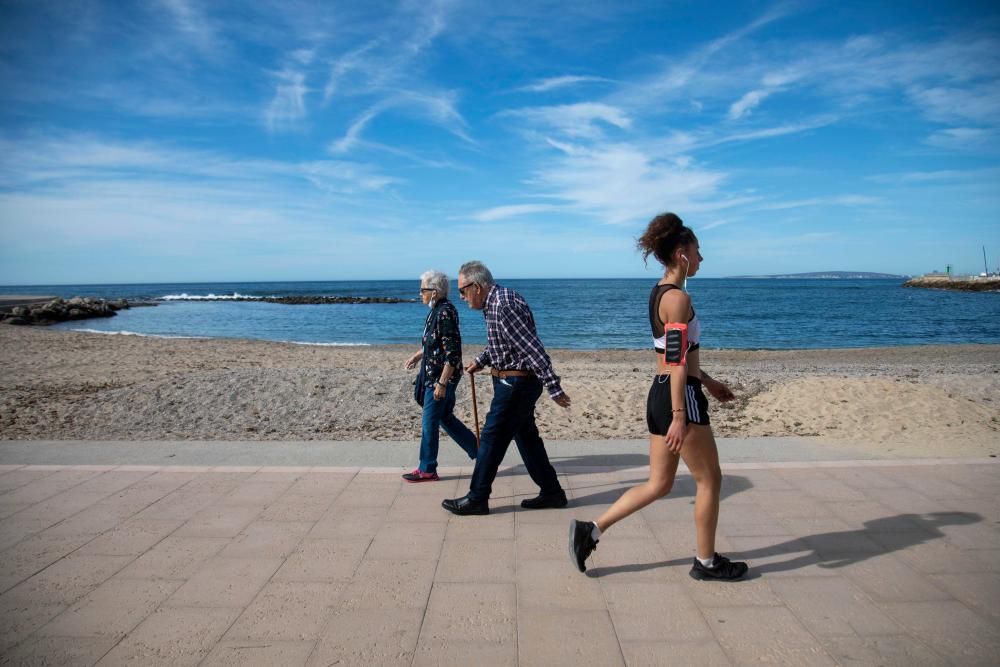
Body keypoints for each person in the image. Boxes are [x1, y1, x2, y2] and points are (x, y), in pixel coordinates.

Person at [569, 213, 749, 581]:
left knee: (660, 484)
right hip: (677, 396)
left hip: (660, 393)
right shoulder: (678, 299)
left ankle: (591, 530)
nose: (702, 259)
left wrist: (710, 382)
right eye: (698, 252)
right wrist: (681, 413)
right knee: (710, 480)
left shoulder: (658, 293)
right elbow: (677, 359)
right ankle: (706, 562)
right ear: (682, 254)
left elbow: (674, 356)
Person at [441, 261, 572, 515]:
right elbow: (503, 344)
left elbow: (532, 348)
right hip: (514, 381)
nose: (461, 297)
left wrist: (554, 387)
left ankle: (477, 498)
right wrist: (480, 361)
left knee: (491, 437)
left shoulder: (502, 305)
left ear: (477, 287)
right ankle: (552, 492)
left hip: (516, 384)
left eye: (463, 290)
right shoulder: (495, 303)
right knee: (526, 438)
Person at [403, 270, 479, 482]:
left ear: (434, 292)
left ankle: (427, 468)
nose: (420, 294)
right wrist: (417, 356)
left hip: (439, 379)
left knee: (429, 423)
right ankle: (480, 453)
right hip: (432, 375)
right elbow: (433, 343)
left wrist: (442, 384)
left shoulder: (445, 312)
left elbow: (452, 353)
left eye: (423, 290)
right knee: (444, 417)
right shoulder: (436, 310)